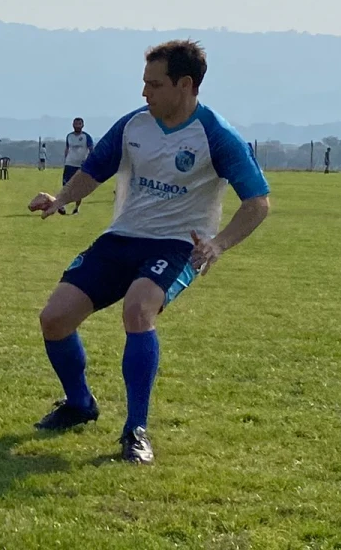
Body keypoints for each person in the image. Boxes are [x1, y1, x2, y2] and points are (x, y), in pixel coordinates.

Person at [28, 40, 270, 464]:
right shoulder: (133, 126)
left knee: (138, 310)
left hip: (177, 244)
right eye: (144, 84)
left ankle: (135, 430)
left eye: (154, 85)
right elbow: (94, 171)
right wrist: (61, 199)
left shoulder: (216, 134)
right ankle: (80, 404)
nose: (145, 94)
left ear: (186, 85)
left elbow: (257, 203)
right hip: (121, 238)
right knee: (54, 319)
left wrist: (218, 243)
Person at [61, 118, 95, 215]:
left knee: (79, 188)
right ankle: (62, 206)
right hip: (69, 164)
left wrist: (89, 161)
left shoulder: (86, 137)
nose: (77, 125)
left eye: (79, 124)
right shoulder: (69, 136)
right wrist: (65, 159)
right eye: (76, 124)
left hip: (80, 165)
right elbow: (67, 148)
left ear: (82, 125)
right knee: (66, 186)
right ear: (73, 125)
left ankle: (76, 208)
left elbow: (91, 149)